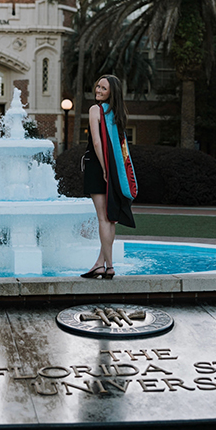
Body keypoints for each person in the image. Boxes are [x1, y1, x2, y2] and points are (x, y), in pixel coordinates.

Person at [80, 75, 137, 279]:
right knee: (110, 219)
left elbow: (96, 143)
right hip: (114, 167)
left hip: (98, 166)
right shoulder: (117, 114)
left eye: (103, 88)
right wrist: (112, 171)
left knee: (103, 218)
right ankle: (99, 263)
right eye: (98, 86)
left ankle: (109, 266)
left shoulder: (95, 110)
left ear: (111, 92)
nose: (98, 90)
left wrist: (104, 169)